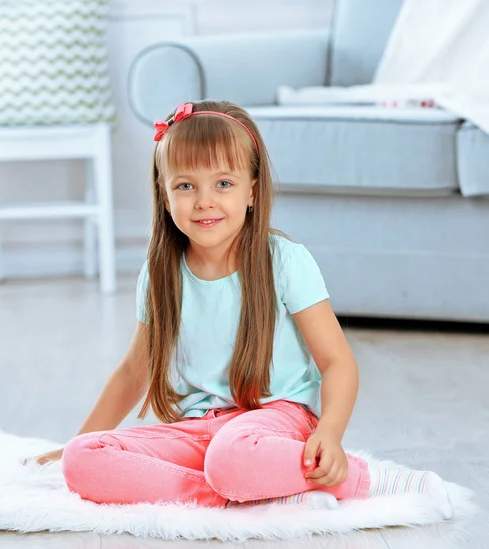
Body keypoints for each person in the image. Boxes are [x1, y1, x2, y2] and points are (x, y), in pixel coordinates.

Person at [29, 101, 453, 517]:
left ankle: (357, 479)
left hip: (276, 420)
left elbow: (337, 362)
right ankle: (253, 494)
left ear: (252, 188)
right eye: (185, 185)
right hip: (200, 429)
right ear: (164, 193)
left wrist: (330, 433)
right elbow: (132, 373)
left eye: (224, 184)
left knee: (232, 457)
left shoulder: (284, 261)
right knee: (83, 459)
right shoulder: (159, 274)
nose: (204, 201)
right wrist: (73, 444)